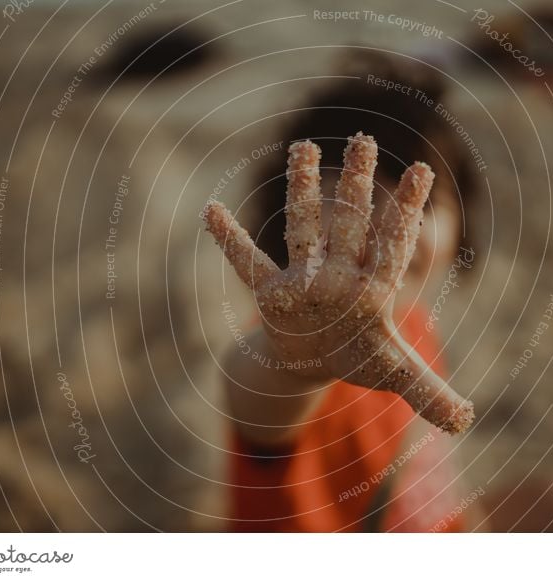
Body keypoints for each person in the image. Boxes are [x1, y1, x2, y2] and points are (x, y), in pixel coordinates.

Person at [203, 56, 477, 531]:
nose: (394, 225)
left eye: (423, 201)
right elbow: (255, 395)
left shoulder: (414, 324)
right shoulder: (304, 339)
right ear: (295, 218)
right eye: (359, 198)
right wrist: (294, 365)